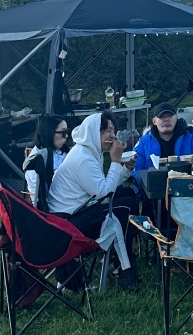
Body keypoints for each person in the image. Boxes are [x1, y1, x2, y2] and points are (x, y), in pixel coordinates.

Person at [48, 111, 138, 291]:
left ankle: (119, 258)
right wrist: (115, 162)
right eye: (107, 131)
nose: (112, 136)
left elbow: (102, 186)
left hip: (79, 210)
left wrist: (125, 170)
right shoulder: (82, 158)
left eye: (113, 131)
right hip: (69, 222)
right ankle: (123, 267)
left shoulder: (89, 151)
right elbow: (103, 193)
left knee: (127, 193)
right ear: (93, 132)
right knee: (125, 207)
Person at [134, 105, 193, 175]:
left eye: (170, 116)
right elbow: (136, 171)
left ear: (176, 118)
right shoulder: (144, 142)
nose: (166, 119)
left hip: (185, 180)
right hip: (153, 181)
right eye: (162, 117)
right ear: (154, 121)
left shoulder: (190, 138)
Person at [22, 114, 72, 211]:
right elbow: (38, 196)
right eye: (63, 132)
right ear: (49, 133)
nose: (66, 136)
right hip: (56, 207)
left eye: (67, 131)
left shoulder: (61, 150)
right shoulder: (37, 159)